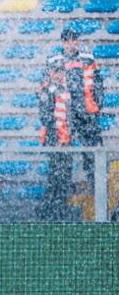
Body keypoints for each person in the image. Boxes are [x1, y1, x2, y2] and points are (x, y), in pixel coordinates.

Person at [48, 27, 103, 187]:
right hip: (64, 115)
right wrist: (60, 103)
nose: (71, 44)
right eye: (67, 40)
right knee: (61, 160)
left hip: (86, 114)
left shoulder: (88, 58)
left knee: (93, 155)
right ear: (63, 42)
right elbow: (47, 84)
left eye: (74, 40)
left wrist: (96, 106)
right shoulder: (54, 60)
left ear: (78, 41)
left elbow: (98, 83)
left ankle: (97, 190)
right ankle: (60, 197)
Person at [36, 62, 76, 220]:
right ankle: (50, 210)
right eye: (56, 71)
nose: (59, 75)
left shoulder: (64, 89)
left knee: (64, 175)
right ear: (50, 72)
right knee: (56, 175)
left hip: (65, 139)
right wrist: (55, 139)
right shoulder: (48, 90)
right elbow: (46, 117)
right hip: (56, 139)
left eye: (61, 72)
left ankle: (59, 209)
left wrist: (68, 135)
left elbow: (69, 115)